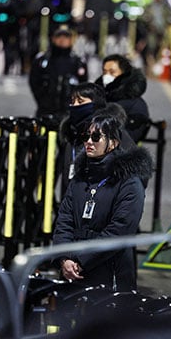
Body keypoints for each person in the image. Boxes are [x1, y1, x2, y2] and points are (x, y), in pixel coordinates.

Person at [53, 113, 154, 292]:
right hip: (73, 272)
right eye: (86, 136)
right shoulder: (80, 177)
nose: (89, 142)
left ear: (114, 142)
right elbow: (64, 220)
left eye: (96, 137)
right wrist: (65, 258)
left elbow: (119, 230)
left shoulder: (129, 182)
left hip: (110, 275)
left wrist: (81, 260)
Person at [29, 25, 88, 123]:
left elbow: (83, 85)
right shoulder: (42, 60)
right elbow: (34, 81)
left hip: (69, 111)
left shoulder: (78, 61)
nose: (62, 40)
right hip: (45, 110)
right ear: (53, 38)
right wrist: (42, 100)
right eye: (59, 36)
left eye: (66, 37)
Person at [95, 54, 151, 142]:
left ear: (124, 74)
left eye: (112, 72)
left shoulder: (135, 104)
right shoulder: (98, 97)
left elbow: (130, 138)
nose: (106, 76)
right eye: (105, 72)